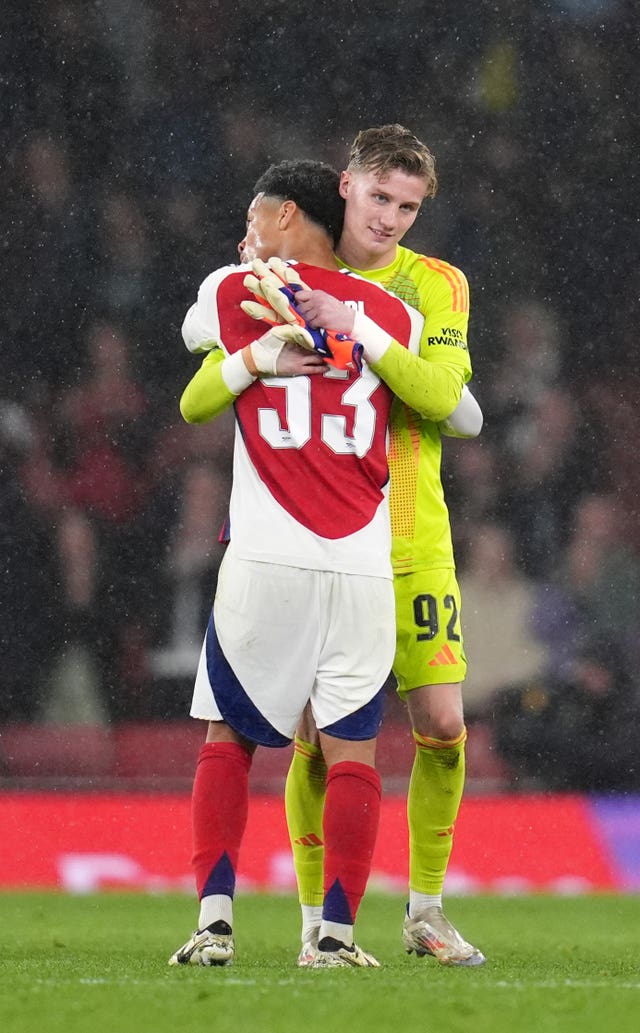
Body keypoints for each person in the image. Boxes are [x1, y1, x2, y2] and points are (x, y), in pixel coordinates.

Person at [169, 158, 431, 969]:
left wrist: (255, 348)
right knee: (352, 748)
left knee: (227, 738)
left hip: (267, 550)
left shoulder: (232, 289)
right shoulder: (391, 314)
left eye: (256, 216)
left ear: (287, 215)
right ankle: (337, 937)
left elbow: (195, 376)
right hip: (360, 559)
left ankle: (214, 924)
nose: (246, 232)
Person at [267, 126, 486, 967]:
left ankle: (425, 909)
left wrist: (361, 331)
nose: (392, 217)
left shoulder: (438, 283)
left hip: (416, 534)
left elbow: (438, 392)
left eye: (409, 205)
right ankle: (317, 919)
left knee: (442, 723)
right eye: (380, 197)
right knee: (318, 738)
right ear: (345, 184)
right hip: (324, 535)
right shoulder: (299, 263)